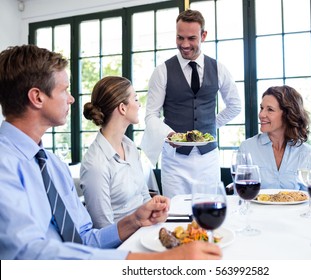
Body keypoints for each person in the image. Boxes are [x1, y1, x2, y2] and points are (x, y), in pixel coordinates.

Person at [0, 44, 222, 260]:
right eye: (64, 89)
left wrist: (135, 219)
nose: (71, 98)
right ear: (37, 97)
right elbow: (26, 254)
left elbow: (85, 240)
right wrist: (161, 261)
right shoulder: (5, 163)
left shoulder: (54, 166)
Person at [141, 9, 241, 198]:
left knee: (208, 214)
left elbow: (235, 106)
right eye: (180, 38)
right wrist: (169, 134)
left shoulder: (219, 68)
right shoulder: (162, 71)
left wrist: (209, 128)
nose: (185, 44)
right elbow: (151, 115)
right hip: (174, 160)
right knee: (176, 215)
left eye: (191, 38)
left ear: (203, 35)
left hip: (208, 160)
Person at [80, 76, 151, 229]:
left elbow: (144, 197)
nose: (139, 105)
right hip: (121, 246)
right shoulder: (95, 164)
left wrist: (156, 212)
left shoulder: (130, 147)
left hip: (145, 232)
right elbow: (103, 228)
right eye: (136, 99)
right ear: (122, 108)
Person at [239, 85, 311, 190]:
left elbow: (308, 196)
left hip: (295, 207)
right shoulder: (247, 148)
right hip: (256, 207)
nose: (261, 114)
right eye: (261, 108)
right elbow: (240, 194)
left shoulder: (305, 152)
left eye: (270, 109)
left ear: (287, 114)